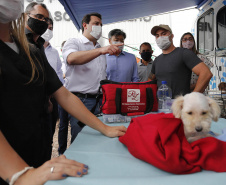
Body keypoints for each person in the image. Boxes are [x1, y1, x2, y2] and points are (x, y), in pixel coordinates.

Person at [0, 2, 126, 185]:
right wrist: (21, 174)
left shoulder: (32, 51)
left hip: (35, 148)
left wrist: (105, 128)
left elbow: (64, 95)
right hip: (8, 167)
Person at [62, 13, 123, 144]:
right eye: (96, 24)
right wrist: (101, 51)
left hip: (99, 102)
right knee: (80, 140)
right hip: (80, 102)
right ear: (85, 25)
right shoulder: (74, 42)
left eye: (101, 24)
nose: (99, 27)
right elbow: (71, 58)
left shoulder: (99, 49)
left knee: (99, 140)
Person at [148, 24, 212, 98]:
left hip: (180, 106)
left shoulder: (184, 53)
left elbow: (206, 73)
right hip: (162, 106)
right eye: (157, 35)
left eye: (164, 34)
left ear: (171, 36)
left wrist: (192, 98)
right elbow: (150, 80)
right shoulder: (157, 60)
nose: (160, 37)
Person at [42, 18, 64, 138]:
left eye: (50, 28)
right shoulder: (28, 48)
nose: (48, 31)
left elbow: (59, 72)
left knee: (50, 133)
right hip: (38, 98)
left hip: (53, 97)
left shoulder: (54, 52)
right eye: (46, 28)